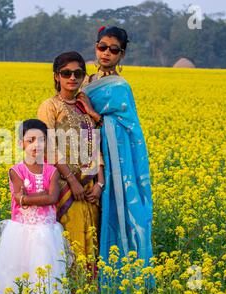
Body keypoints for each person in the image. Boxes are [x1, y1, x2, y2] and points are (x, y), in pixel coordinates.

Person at [80, 26, 154, 278]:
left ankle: (119, 276)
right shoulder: (84, 81)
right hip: (86, 159)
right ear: (96, 47)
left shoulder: (121, 87)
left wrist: (96, 116)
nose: (106, 53)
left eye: (114, 50)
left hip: (115, 162)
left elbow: (129, 128)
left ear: (122, 54)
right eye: (102, 47)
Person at [0, 119, 69, 294]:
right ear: (20, 143)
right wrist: (38, 196)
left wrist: (25, 198)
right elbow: (23, 196)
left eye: (41, 140)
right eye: (30, 140)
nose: (36, 145)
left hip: (46, 232)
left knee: (45, 276)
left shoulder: (52, 171)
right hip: (20, 231)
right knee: (14, 274)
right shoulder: (16, 170)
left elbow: (51, 198)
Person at [37, 51, 105, 262]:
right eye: (66, 73)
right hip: (64, 187)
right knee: (69, 246)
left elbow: (95, 146)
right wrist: (72, 181)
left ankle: (89, 291)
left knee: (91, 245)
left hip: (89, 188)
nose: (72, 78)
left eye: (78, 73)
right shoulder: (50, 106)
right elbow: (48, 147)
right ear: (57, 76)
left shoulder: (85, 106)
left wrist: (100, 183)